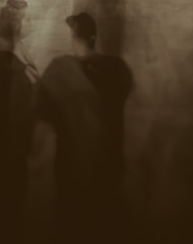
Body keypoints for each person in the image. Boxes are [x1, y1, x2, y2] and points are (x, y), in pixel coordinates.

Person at [35, 12, 135, 230]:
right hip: (106, 161)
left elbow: (42, 115)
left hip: (73, 165)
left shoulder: (60, 71)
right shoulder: (117, 69)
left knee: (74, 225)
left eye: (74, 35)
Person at [0, 0, 38, 228]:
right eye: (27, 18)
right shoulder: (11, 67)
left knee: (7, 181)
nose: (31, 22)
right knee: (13, 185)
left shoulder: (10, 52)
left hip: (7, 135)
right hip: (12, 138)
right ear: (16, 25)